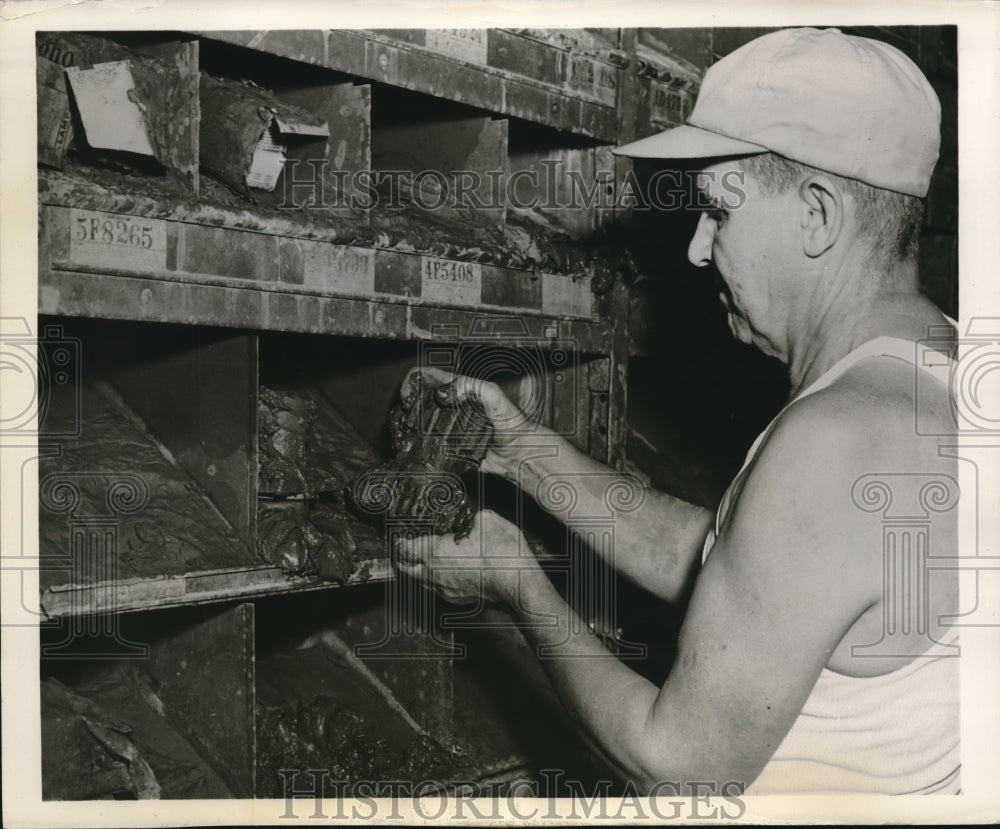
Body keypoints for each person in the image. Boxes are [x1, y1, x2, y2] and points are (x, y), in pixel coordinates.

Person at [395, 28, 960, 795]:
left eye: (720, 212)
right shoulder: (940, 371)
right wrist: (522, 453)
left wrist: (512, 579)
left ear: (818, 215)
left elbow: (681, 763)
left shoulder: (838, 439)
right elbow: (750, 572)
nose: (697, 249)